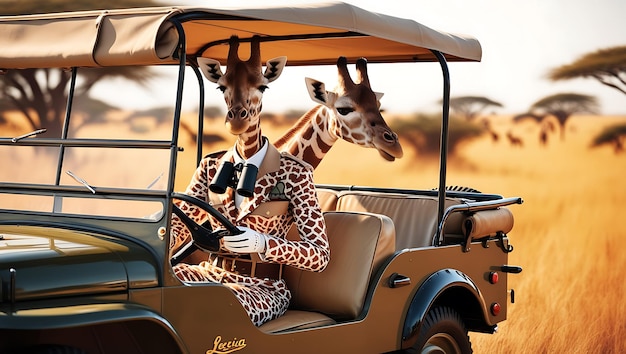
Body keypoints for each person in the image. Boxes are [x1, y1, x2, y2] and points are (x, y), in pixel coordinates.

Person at [169, 36, 329, 326]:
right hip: (211, 274)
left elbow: (319, 256)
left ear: (262, 93)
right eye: (226, 90)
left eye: (256, 90)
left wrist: (263, 243)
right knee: (148, 291)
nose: (240, 103)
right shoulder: (211, 166)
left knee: (216, 313)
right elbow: (177, 225)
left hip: (262, 288)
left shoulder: (295, 173)